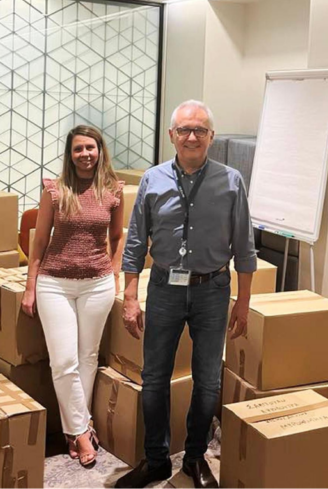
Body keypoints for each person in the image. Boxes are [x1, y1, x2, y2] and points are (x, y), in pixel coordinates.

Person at [116, 100, 256, 489]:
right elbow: (135, 243)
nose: (191, 137)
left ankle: (195, 457)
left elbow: (245, 247)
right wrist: (130, 297)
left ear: (211, 136)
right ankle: (156, 460)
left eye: (199, 130)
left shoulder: (231, 181)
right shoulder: (153, 179)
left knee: (208, 380)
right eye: (184, 130)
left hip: (213, 290)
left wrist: (244, 302)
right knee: (154, 377)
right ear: (172, 135)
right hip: (164, 289)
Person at [22, 125, 124, 468]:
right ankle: (82, 431)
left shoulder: (113, 190)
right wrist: (30, 286)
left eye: (90, 148)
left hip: (98, 284)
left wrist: (114, 273)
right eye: (78, 149)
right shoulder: (55, 190)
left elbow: (117, 236)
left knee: (88, 357)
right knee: (64, 361)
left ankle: (74, 430)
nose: (85, 154)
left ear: (100, 151)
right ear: (70, 154)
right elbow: (39, 241)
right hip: (55, 283)